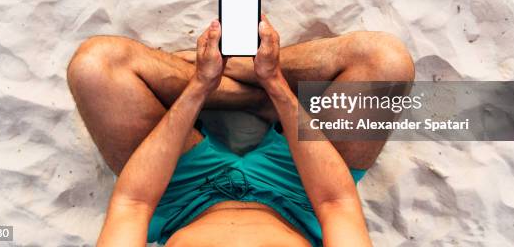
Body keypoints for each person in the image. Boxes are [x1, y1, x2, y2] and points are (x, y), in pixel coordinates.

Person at [66, 16, 414, 246]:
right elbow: (336, 203)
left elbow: (134, 203)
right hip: (302, 198)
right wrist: (275, 85)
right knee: (385, 61)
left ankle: (222, 86)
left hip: (181, 197)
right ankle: (251, 82)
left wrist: (199, 88)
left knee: (96, 66)